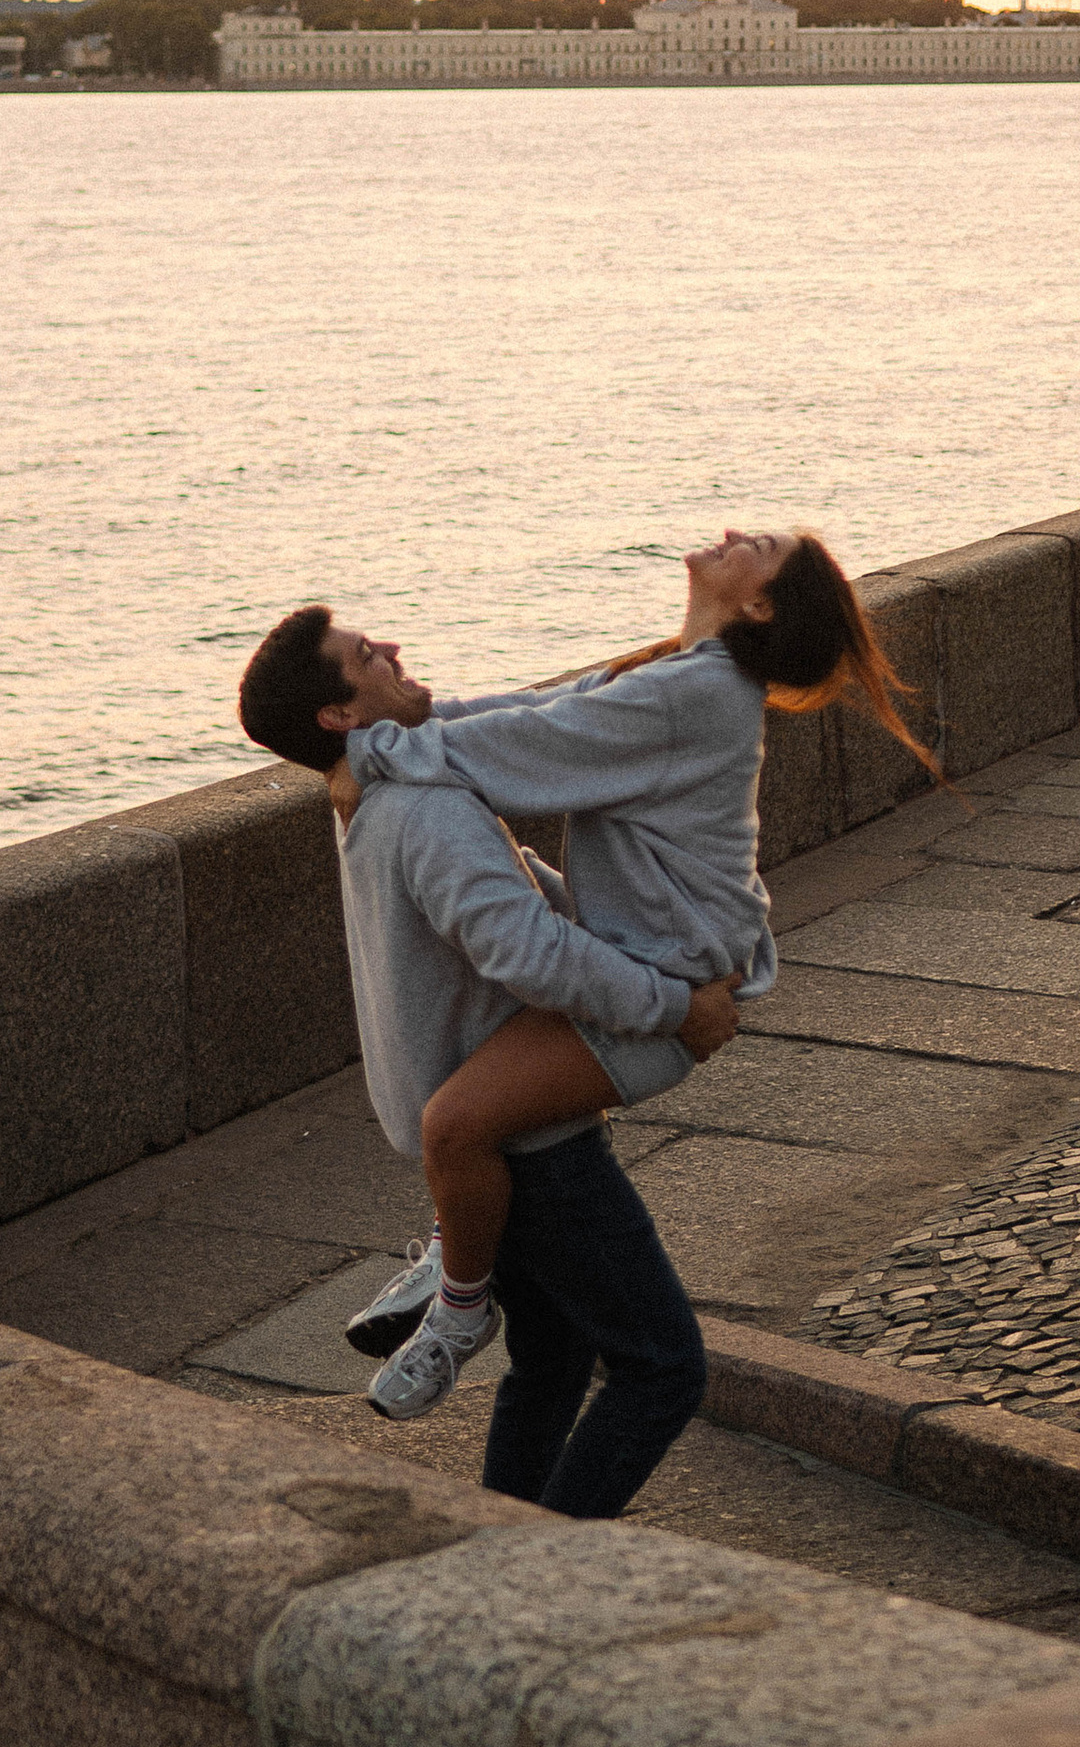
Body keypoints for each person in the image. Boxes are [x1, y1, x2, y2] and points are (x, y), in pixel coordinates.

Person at [322, 528, 937, 1417]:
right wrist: (396, 728)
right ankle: (459, 1246)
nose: (734, 533)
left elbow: (522, 753)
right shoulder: (670, 673)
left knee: (456, 1123)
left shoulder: (697, 691)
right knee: (547, 1327)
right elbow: (532, 715)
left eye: (758, 546)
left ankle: (459, 1307)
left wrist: (366, 753)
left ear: (758, 603)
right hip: (641, 961)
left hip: (668, 988)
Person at [237, 602, 741, 1515]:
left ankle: (498, 1541)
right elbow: (529, 954)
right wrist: (675, 1005)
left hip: (473, 1123)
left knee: (551, 1359)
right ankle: (543, 1566)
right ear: (338, 716)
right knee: (663, 1368)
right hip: (530, 1143)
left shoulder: (366, 788)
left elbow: (517, 881)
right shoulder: (423, 807)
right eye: (364, 654)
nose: (389, 645)